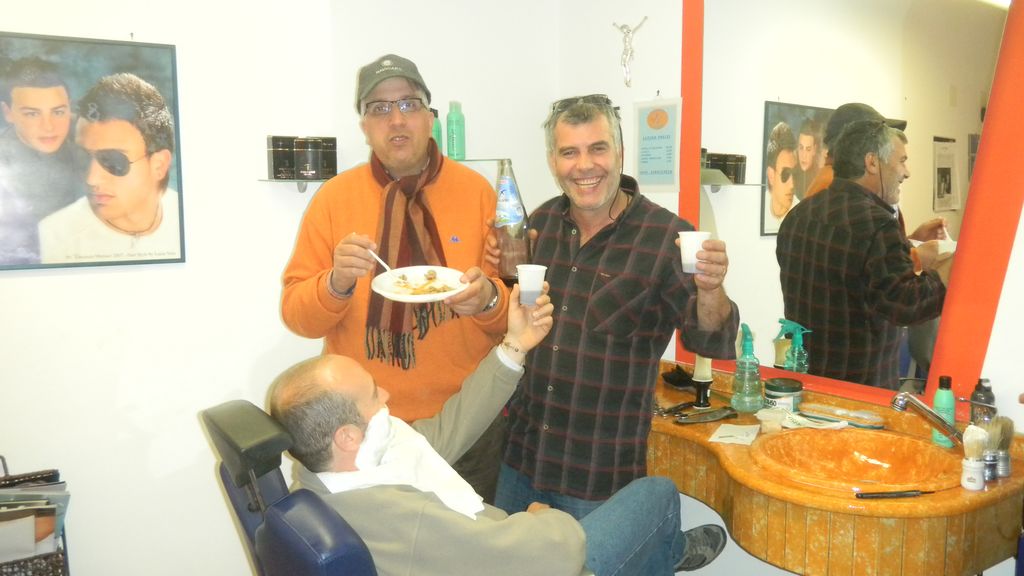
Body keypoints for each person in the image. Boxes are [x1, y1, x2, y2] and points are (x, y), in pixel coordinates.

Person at [271, 285, 715, 575]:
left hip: (489, 546)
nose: (385, 394)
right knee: (657, 496)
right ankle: (667, 550)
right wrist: (544, 519)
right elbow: (540, 555)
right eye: (373, 395)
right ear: (347, 436)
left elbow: (446, 431)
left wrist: (514, 346)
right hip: (536, 562)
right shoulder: (407, 520)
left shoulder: (323, 477)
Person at [491, 94, 735, 570]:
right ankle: (668, 549)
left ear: (620, 153)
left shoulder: (665, 237)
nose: (585, 165)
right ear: (553, 161)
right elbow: (516, 322)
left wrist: (711, 289)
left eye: (597, 148)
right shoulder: (540, 224)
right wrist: (497, 275)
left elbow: (711, 343)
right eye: (570, 152)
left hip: (597, 473)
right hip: (521, 455)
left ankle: (663, 550)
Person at [280, 54, 510, 503]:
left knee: (469, 540)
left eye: (409, 104)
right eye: (380, 108)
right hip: (366, 433)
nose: (397, 119)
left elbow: (510, 313)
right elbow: (297, 317)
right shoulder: (333, 199)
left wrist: (486, 301)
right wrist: (335, 283)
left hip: (468, 421)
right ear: (364, 126)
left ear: (430, 117)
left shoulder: (477, 192)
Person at [776, 119, 947, 389]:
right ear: (872, 162)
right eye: (901, 161)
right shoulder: (878, 225)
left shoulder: (798, 216)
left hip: (804, 382)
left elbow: (849, 272)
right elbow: (905, 306)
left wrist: (908, 245)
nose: (907, 172)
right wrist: (947, 273)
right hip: (860, 393)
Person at [37, 73, 181, 264]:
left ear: (159, 165)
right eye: (83, 157)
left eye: (113, 160)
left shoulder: (192, 221)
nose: (92, 179)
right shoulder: (54, 237)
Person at [0, 57, 84, 265]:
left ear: (70, 109)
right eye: (32, 114)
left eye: (58, 112)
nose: (48, 126)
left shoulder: (90, 152)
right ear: (8, 113)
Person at [763, 121, 799, 233]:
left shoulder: (802, 216)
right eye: (785, 174)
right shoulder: (755, 207)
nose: (792, 184)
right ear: (771, 175)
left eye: (795, 173)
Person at [792, 118, 822, 200]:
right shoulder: (790, 178)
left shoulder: (820, 178)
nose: (803, 155)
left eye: (808, 149)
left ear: (814, 150)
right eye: (801, 148)